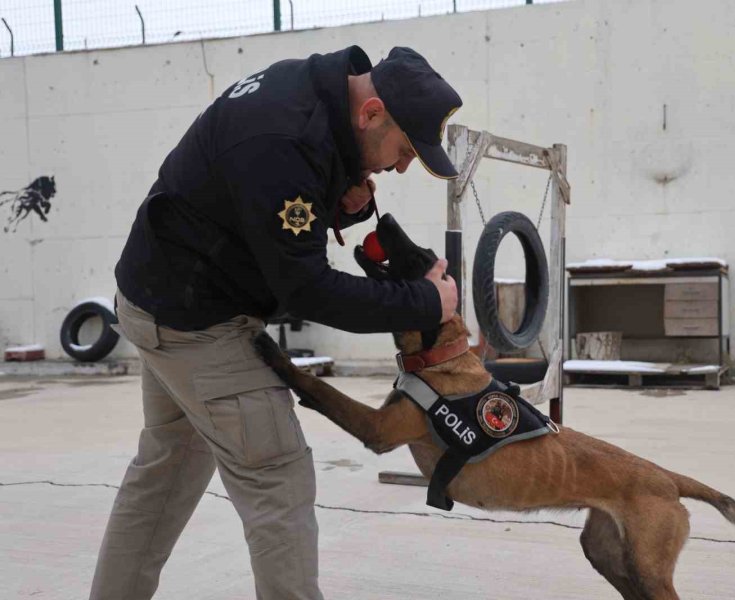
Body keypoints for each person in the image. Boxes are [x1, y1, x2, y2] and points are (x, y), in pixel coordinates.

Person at [89, 45, 462, 600]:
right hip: (198, 323)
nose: (401, 166)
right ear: (372, 112)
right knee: (278, 481)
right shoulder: (285, 140)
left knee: (164, 477)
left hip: (159, 301)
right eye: (405, 150)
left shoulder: (311, 91)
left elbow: (261, 207)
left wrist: (342, 201)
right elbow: (308, 289)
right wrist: (428, 304)